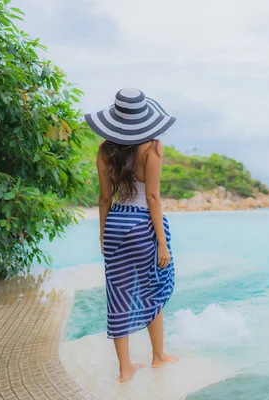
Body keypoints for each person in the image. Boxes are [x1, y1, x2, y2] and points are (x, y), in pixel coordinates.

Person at [85, 88, 178, 382]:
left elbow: (103, 198)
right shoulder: (153, 148)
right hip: (142, 227)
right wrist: (161, 242)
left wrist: (103, 235)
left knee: (118, 294)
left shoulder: (104, 150)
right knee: (153, 288)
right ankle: (158, 356)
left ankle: (125, 369)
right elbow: (152, 197)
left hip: (115, 225)